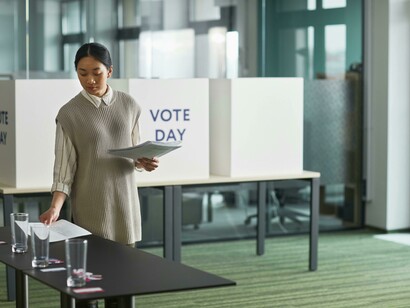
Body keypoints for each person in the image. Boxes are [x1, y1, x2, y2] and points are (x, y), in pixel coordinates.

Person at [40, 42, 159, 308]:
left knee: (123, 285)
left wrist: (143, 162)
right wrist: (55, 207)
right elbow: (64, 169)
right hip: (89, 212)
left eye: (97, 72)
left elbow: (134, 154)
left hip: (124, 209)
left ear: (110, 71)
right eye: (82, 73)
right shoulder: (69, 113)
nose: (90, 80)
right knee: (88, 288)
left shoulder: (129, 105)